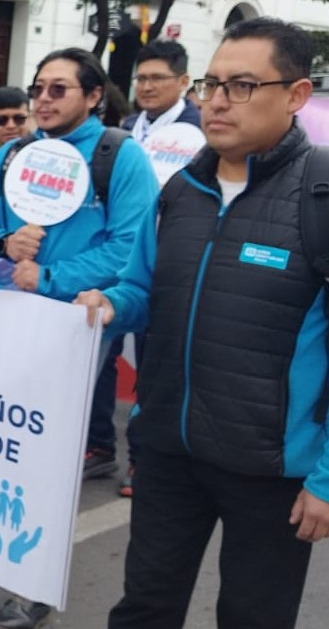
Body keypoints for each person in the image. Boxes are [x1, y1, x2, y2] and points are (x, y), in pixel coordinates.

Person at [74, 18, 329, 629]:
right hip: (168, 449)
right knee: (144, 606)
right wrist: (107, 302)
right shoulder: (180, 194)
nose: (216, 101)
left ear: (297, 95)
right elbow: (143, 288)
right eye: (211, 84)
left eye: (242, 85)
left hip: (274, 471)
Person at [0, 48, 159, 629]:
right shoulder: (14, 154)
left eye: (59, 89)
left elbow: (129, 250)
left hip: (77, 324)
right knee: (1, 437)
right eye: (39, 88)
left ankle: (34, 584)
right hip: (8, 318)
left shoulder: (119, 158)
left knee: (46, 449)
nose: (43, 99)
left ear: (94, 97)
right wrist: (3, 244)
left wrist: (47, 277)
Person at [91, 39, 201, 497]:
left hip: (170, 258)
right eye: (141, 78)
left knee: (155, 363)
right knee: (101, 354)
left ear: (183, 82)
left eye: (158, 78)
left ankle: (143, 459)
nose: (147, 86)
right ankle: (98, 447)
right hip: (118, 256)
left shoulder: (202, 131)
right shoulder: (125, 131)